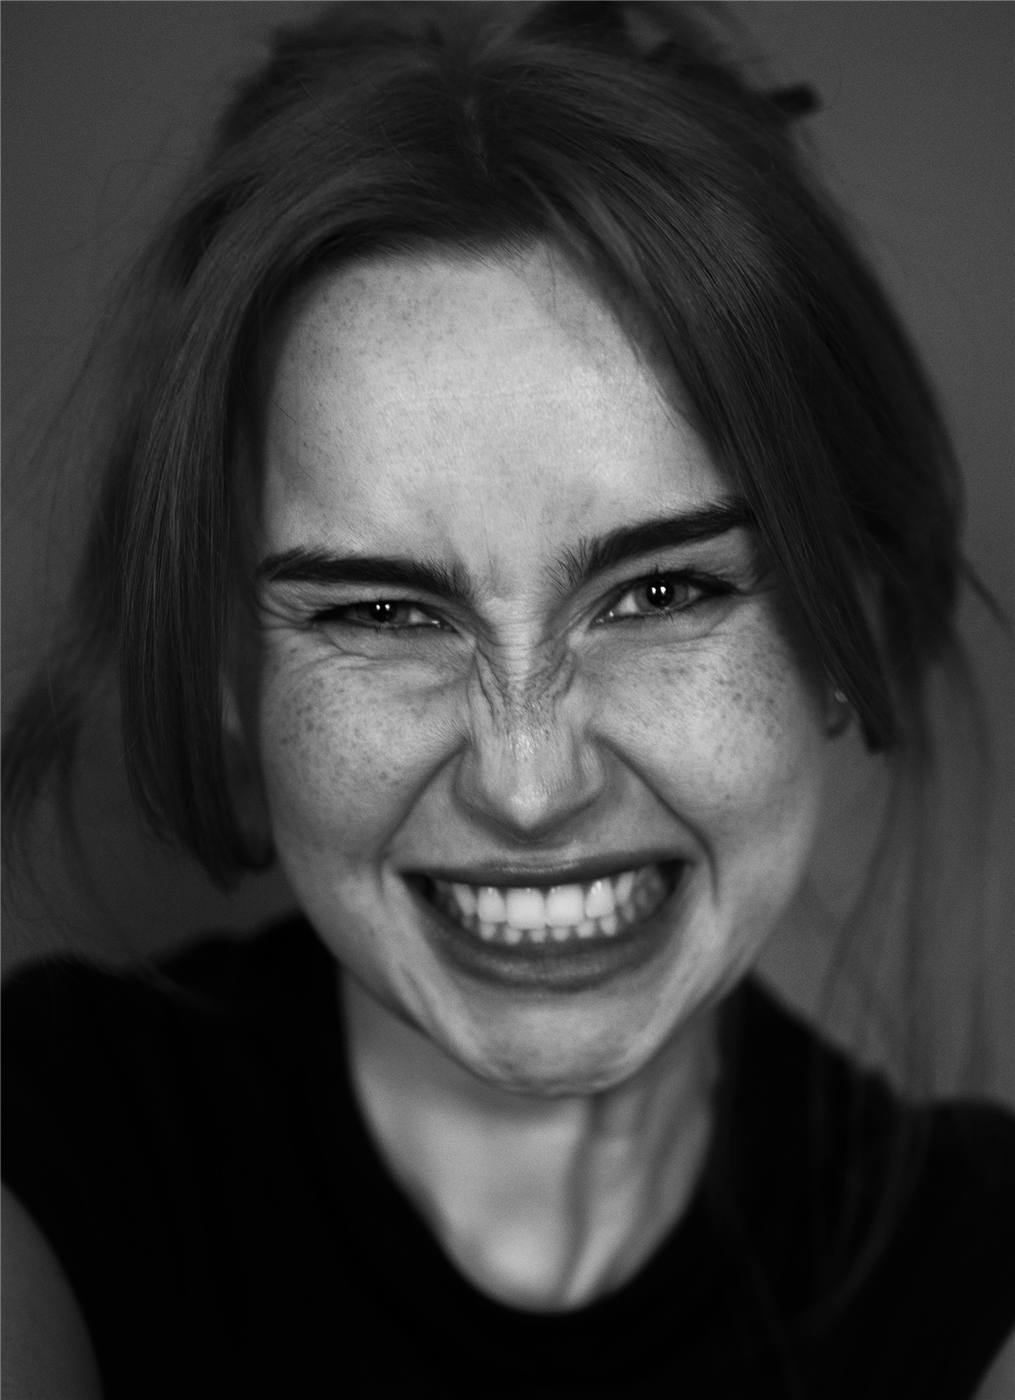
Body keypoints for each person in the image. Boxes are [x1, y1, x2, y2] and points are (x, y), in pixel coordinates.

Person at [2, 3, 1012, 1396]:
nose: (529, 786)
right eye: (381, 613)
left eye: (664, 592)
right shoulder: (41, 1147)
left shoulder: (986, 1269)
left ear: (849, 630)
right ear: (229, 671)